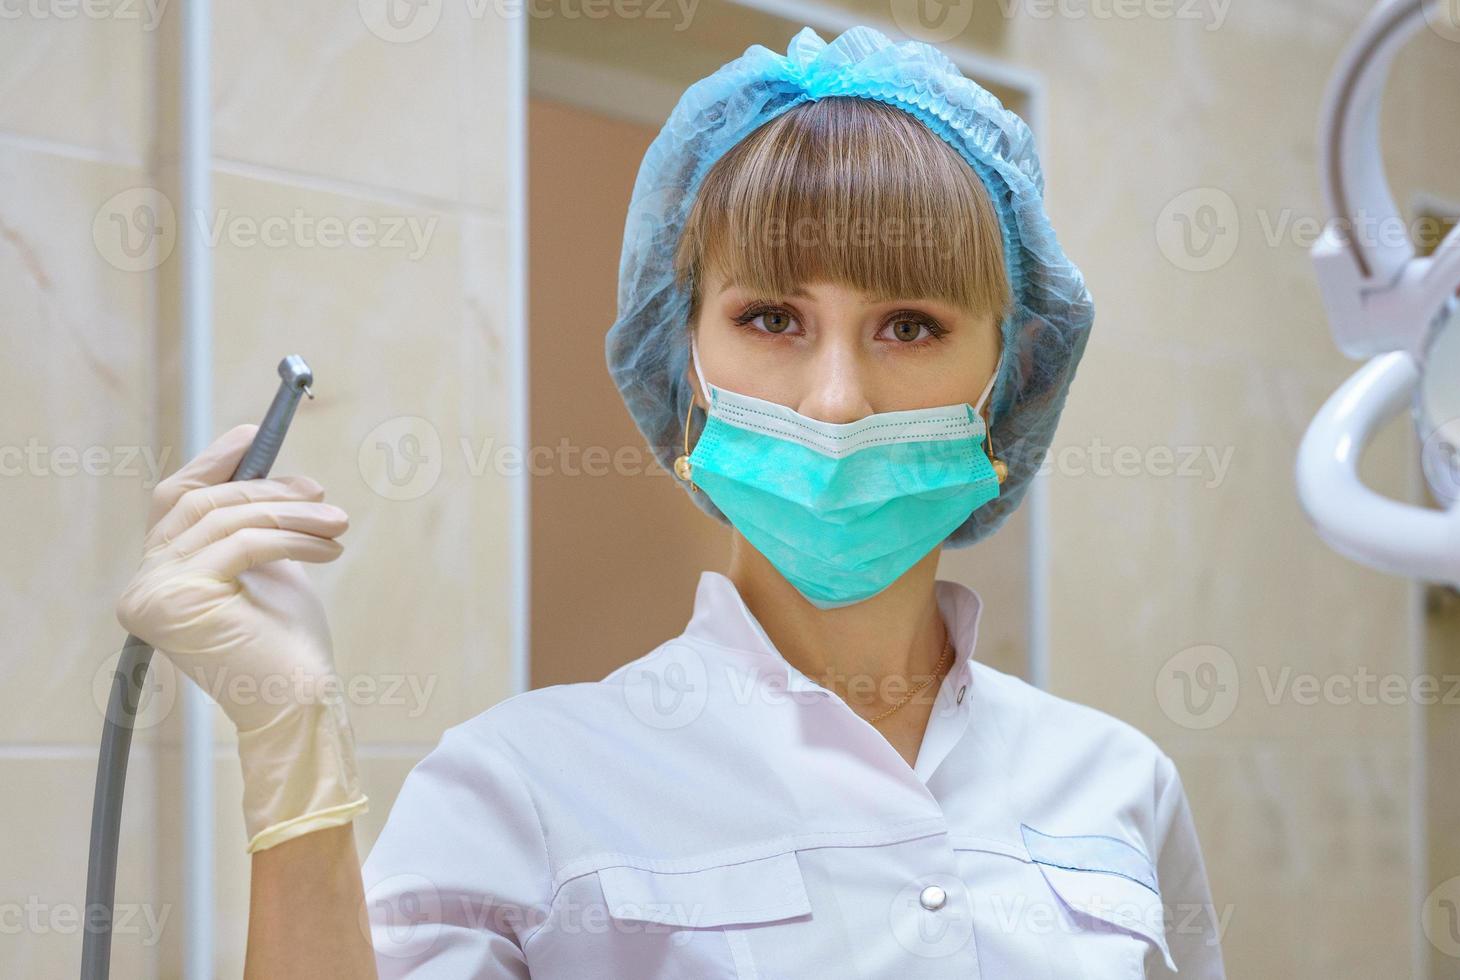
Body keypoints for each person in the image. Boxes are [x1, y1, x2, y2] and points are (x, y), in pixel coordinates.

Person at [115, 25, 1226, 979]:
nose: (836, 399)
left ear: (1011, 376)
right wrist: (288, 733)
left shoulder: (1121, 785)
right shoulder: (521, 783)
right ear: (681, 360)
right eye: (773, 319)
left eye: (911, 326)